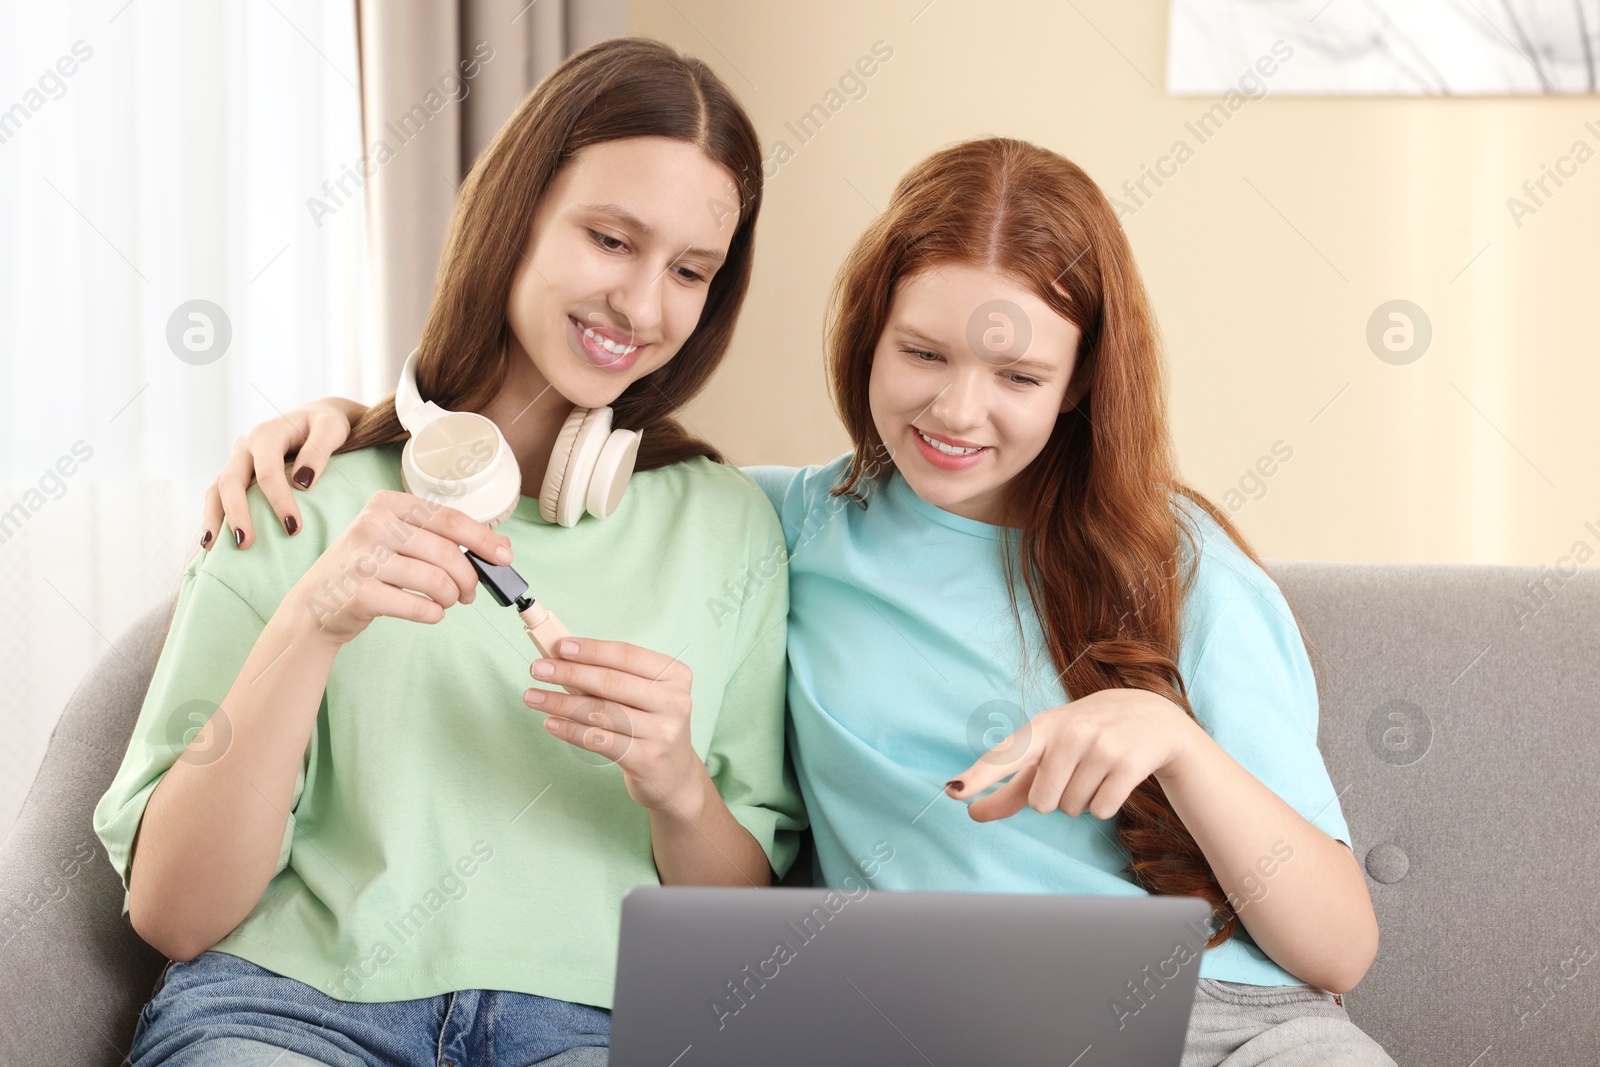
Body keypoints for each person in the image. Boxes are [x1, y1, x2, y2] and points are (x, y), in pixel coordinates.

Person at [203, 133, 1399, 1064]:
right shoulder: (773, 525)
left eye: (1018, 374)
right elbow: (536, 476)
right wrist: (342, 426)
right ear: (866, 337)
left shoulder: (1179, 562)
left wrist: (1176, 744)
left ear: (1082, 383)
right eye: (921, 354)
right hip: (945, 1033)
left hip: (1231, 1018)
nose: (956, 412)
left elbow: (1338, 942)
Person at [93, 37, 805, 1067]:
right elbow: (173, 913)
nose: (644, 308)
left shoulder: (729, 525)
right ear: (515, 217)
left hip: (589, 1028)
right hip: (284, 1013)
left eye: (689, 270)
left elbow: (741, 939)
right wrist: (313, 618)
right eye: (610, 239)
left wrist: (677, 785)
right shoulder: (300, 493)